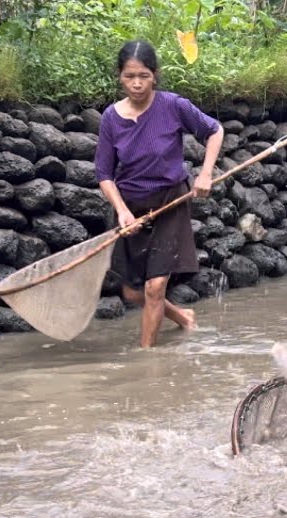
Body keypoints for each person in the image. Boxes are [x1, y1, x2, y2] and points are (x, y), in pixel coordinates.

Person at [95, 39, 225, 347]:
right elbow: (104, 174)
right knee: (132, 292)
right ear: (119, 76)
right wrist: (123, 212)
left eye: (144, 76)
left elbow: (214, 130)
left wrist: (205, 174)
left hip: (170, 201)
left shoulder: (173, 106)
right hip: (130, 208)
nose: (137, 84)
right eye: (129, 76)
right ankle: (183, 317)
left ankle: (147, 362)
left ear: (155, 75)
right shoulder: (111, 118)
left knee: (154, 287)